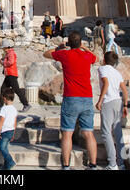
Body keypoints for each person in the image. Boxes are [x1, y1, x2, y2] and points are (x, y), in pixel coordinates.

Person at [43, 31, 98, 170]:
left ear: (69, 43)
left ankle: (66, 165)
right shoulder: (87, 56)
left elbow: (46, 54)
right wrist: (83, 47)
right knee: (88, 133)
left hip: (71, 98)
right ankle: (93, 164)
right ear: (80, 43)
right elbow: (95, 57)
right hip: (87, 98)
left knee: (67, 133)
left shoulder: (65, 55)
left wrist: (60, 47)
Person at [96, 51, 129, 170]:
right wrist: (125, 105)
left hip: (108, 101)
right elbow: (125, 91)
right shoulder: (117, 73)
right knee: (118, 132)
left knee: (106, 132)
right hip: (118, 101)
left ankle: (112, 163)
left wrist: (100, 100)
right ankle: (121, 162)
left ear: (104, 60)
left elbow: (106, 83)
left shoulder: (103, 69)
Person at [0, 40, 31, 113]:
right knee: (3, 89)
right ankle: (0, 105)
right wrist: (3, 60)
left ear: (7, 47)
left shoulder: (11, 53)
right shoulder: (8, 53)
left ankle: (26, 104)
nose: (3, 49)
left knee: (17, 90)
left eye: (3, 47)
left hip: (11, 74)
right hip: (8, 74)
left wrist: (2, 62)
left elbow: (11, 62)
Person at [0, 88, 18, 170]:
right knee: (6, 148)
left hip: (4, 131)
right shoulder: (14, 109)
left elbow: (1, 121)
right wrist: (13, 133)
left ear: (4, 98)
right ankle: (6, 166)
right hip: (11, 131)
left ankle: (11, 161)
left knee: (2, 148)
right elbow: (15, 122)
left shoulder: (4, 109)